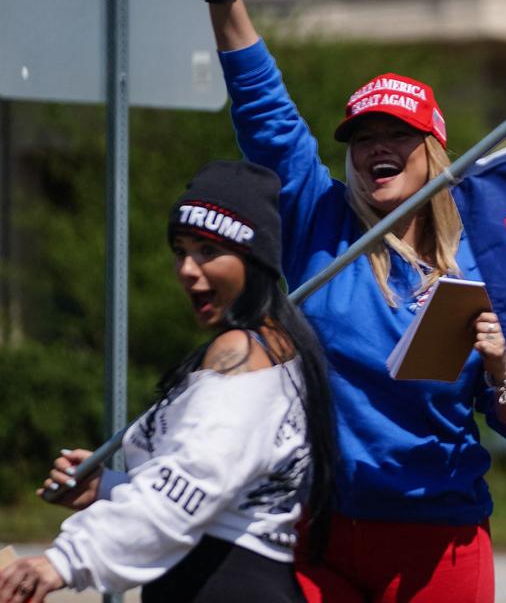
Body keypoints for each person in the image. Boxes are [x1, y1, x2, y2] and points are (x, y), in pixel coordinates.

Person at [177, 0, 506, 602]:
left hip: (439, 545)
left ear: (433, 150)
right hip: (319, 531)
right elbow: (265, 109)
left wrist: (500, 369)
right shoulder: (319, 217)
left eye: (395, 135)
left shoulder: (483, 260)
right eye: (362, 138)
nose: (376, 149)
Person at [0, 160, 338, 603]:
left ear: (254, 259)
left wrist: (61, 561)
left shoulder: (242, 355)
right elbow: (216, 493)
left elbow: (189, 484)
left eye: (208, 251)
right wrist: (106, 488)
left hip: (222, 585)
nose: (187, 269)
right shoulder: (277, 347)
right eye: (181, 250)